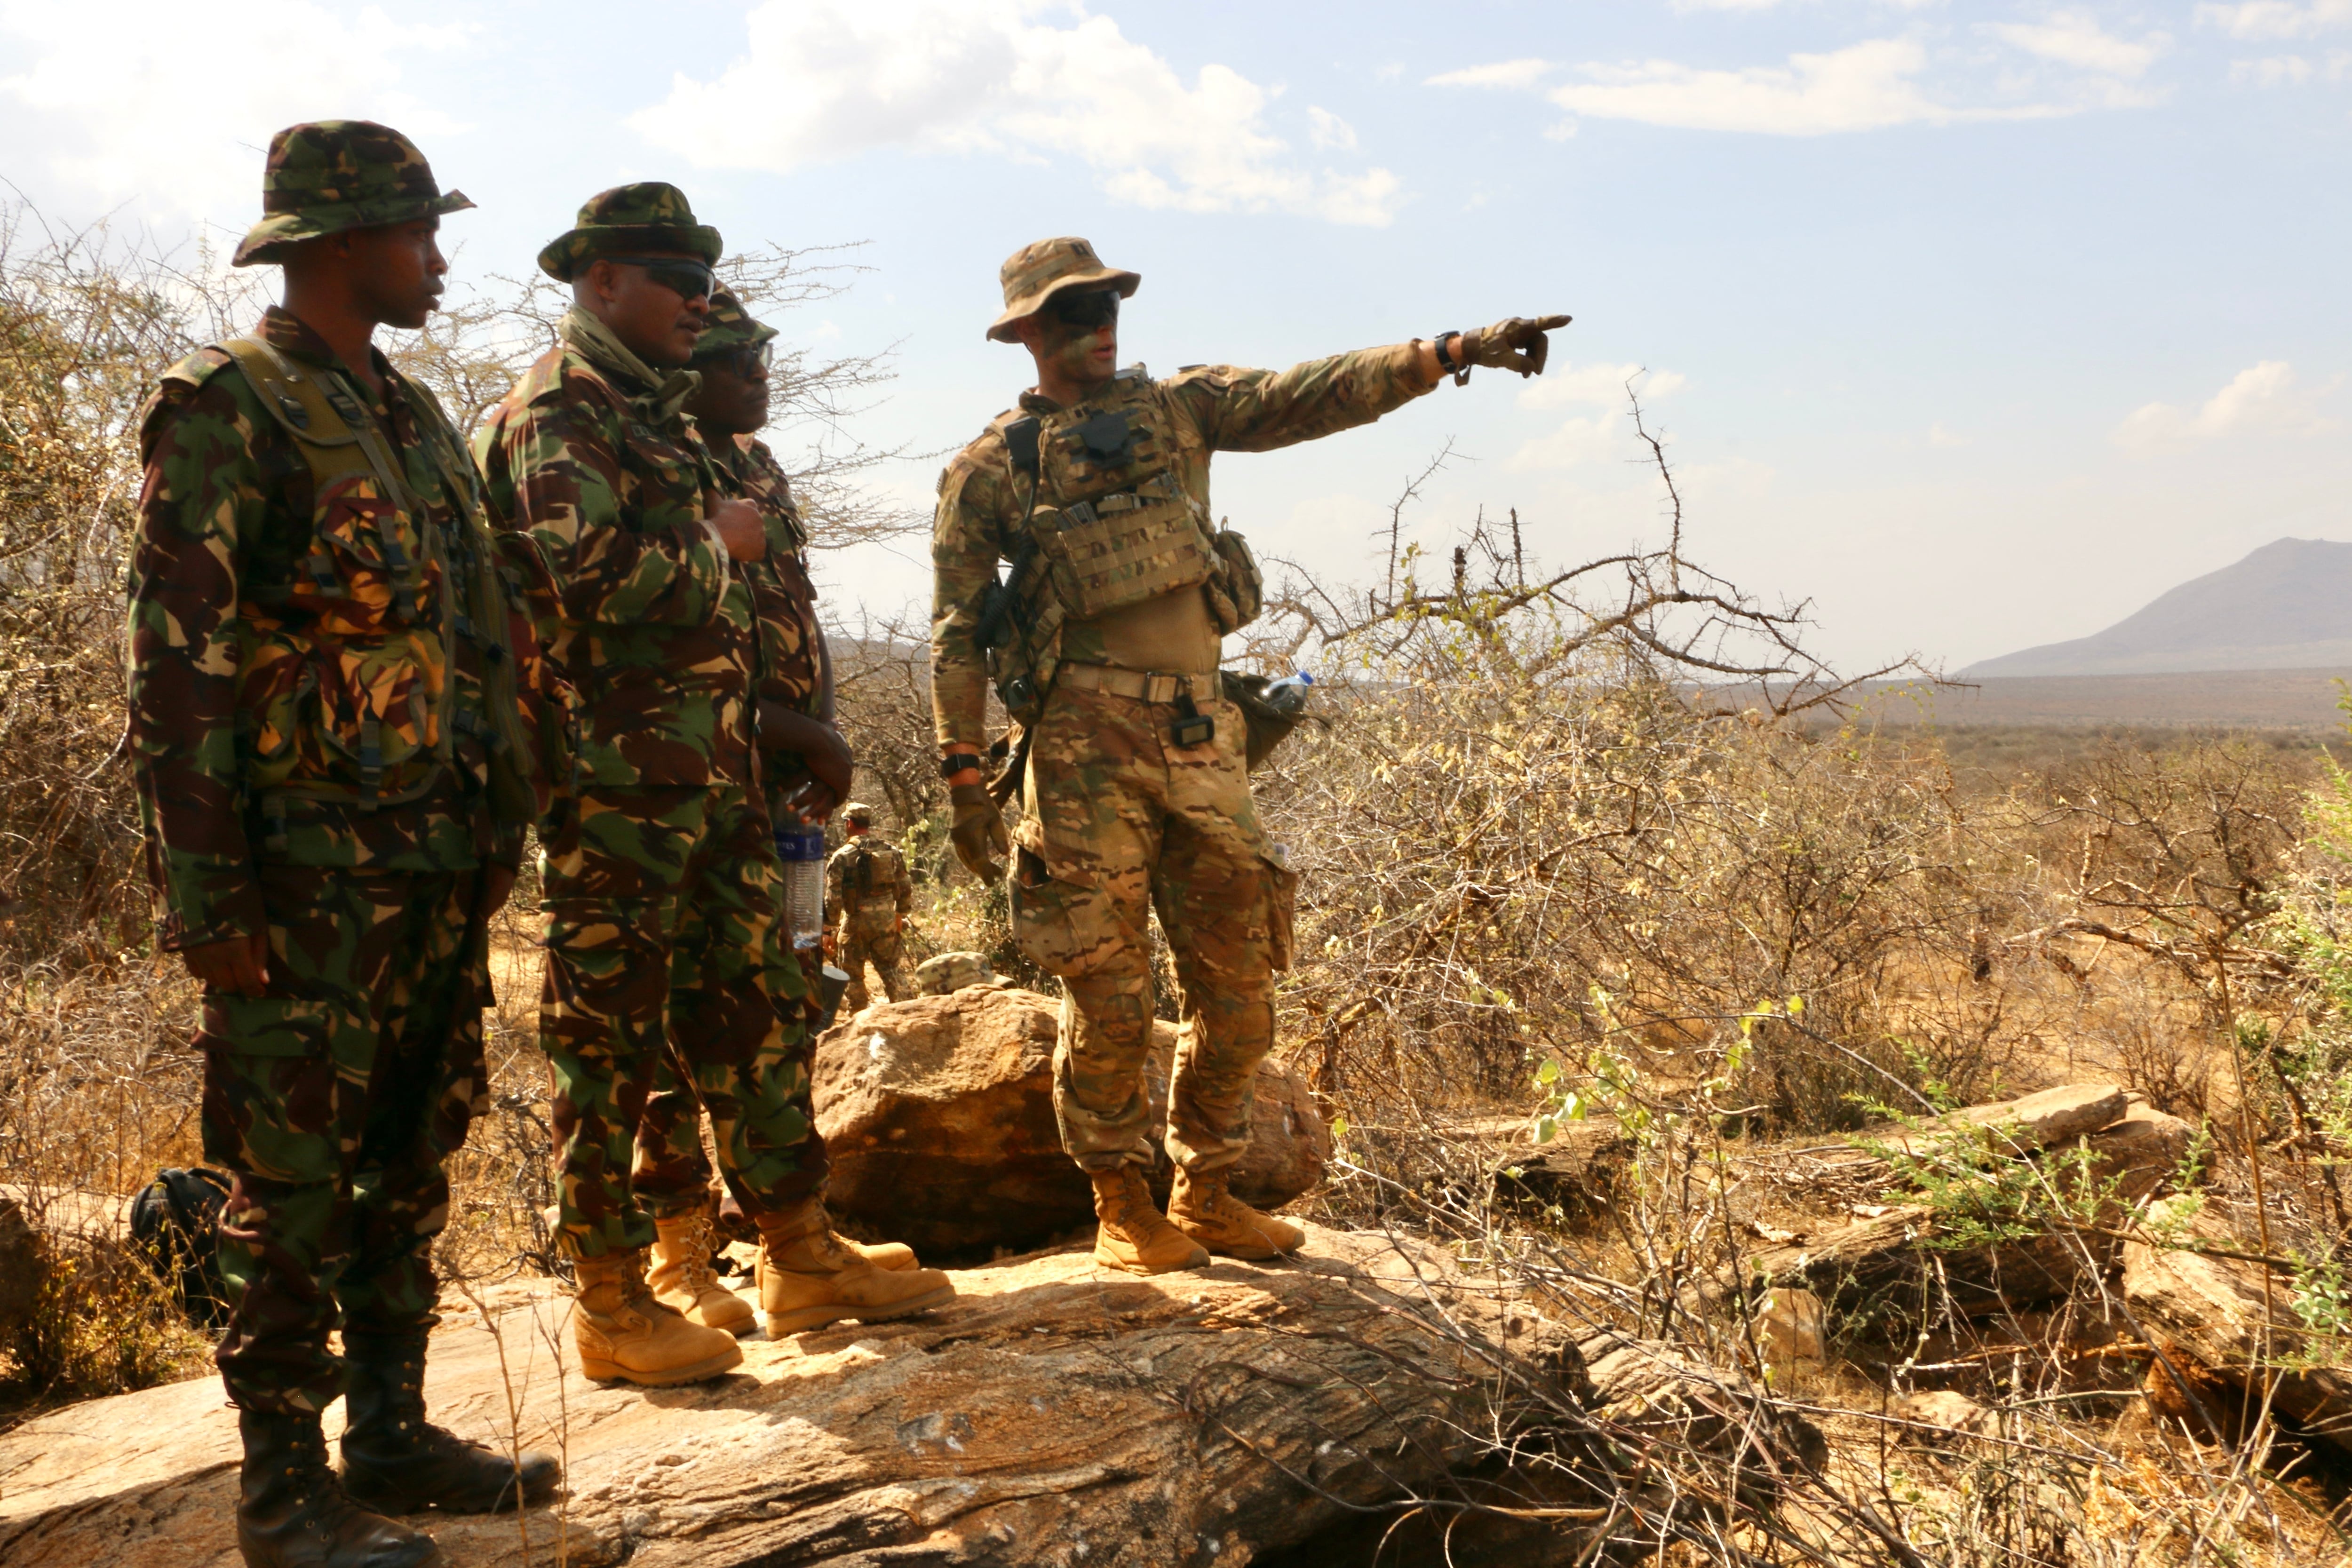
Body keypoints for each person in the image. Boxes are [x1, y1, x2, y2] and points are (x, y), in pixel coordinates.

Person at [931, 235, 1568, 1275]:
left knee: (1240, 989)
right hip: (1081, 746)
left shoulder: (1182, 408)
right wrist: (965, 776)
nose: (1097, 326)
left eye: (1105, 305)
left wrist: (1452, 350)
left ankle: (1209, 1191)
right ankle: (1120, 1204)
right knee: (1110, 993)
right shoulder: (989, 468)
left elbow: (1310, 393)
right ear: (1027, 333)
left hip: (1199, 735)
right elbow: (956, 626)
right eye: (1069, 313)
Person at [128, 119, 560, 1568]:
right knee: (291, 1176)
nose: (438, 258)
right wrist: (209, 889)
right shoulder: (224, 408)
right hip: (303, 877)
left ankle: (388, 1428)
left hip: (434, 864)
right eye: (416, 232)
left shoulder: (418, 416)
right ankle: (279, 1490)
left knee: (408, 1153)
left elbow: (475, 632)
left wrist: (505, 812)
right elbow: (176, 668)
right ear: (336, 243)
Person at [475, 186, 951, 1374]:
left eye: (703, 277)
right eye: (671, 276)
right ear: (600, 284)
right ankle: (611, 1300)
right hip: (615, 790)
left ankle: (799, 1251)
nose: (698, 298)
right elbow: (566, 582)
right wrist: (711, 546)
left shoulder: (661, 414)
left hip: (715, 780)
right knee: (610, 1044)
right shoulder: (556, 409)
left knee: (750, 1014)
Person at [624, 289, 912, 1335]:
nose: (761, 373)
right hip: (680, 776)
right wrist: (791, 732)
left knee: (772, 1004)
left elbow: (795, 610)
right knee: (661, 1024)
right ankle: (675, 1259)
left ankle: (795, 1246)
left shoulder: (756, 464)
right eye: (739, 358)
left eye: (765, 354)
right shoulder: (656, 458)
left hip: (773, 792)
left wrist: (822, 741)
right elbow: (674, 633)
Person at [825, 802, 915, 1011]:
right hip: (886, 921)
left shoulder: (842, 856)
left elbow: (834, 897)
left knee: (852, 976)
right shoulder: (891, 851)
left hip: (855, 922)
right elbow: (905, 886)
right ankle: (909, 1013)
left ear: (849, 824)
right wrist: (900, 914)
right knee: (892, 970)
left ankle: (859, 1019)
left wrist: (828, 928)